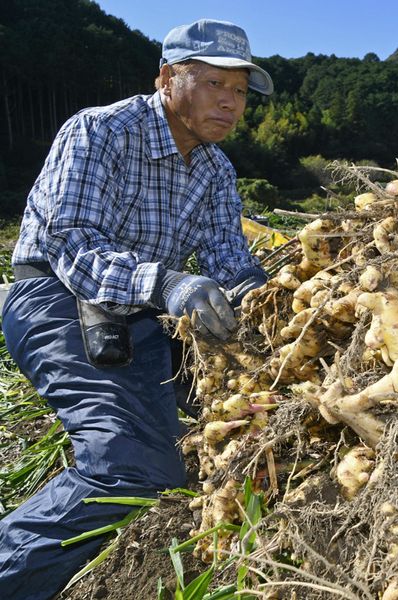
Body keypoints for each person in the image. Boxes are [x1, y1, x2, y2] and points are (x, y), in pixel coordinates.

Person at [0, 19, 273, 599]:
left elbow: (231, 260)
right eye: (215, 85)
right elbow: (72, 244)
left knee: (239, 426)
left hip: (143, 317)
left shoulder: (216, 169)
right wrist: (169, 283)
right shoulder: (98, 133)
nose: (230, 103)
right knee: (130, 472)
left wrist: (271, 299)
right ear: (168, 79)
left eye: (241, 91)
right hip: (57, 300)